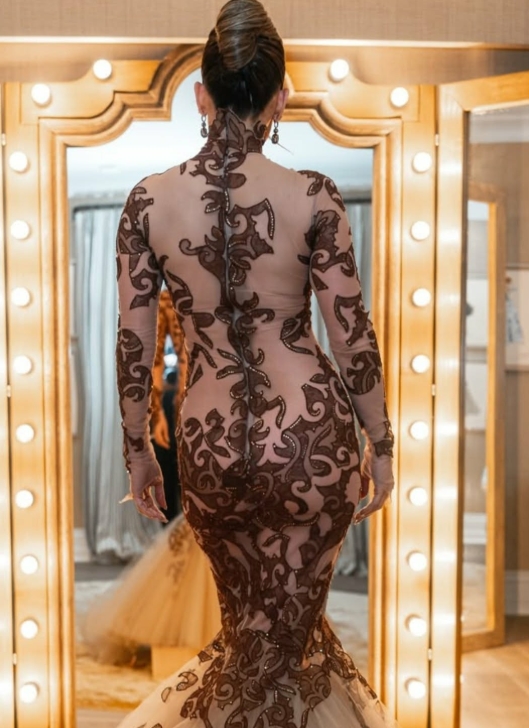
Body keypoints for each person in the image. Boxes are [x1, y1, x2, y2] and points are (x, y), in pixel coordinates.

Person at [115, 1, 396, 726]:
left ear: (200, 94)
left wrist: (137, 450)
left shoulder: (146, 202)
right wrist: (382, 442)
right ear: (281, 97)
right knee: (287, 654)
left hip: (210, 446)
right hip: (310, 441)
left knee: (249, 646)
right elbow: (351, 335)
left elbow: (134, 344)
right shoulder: (313, 196)